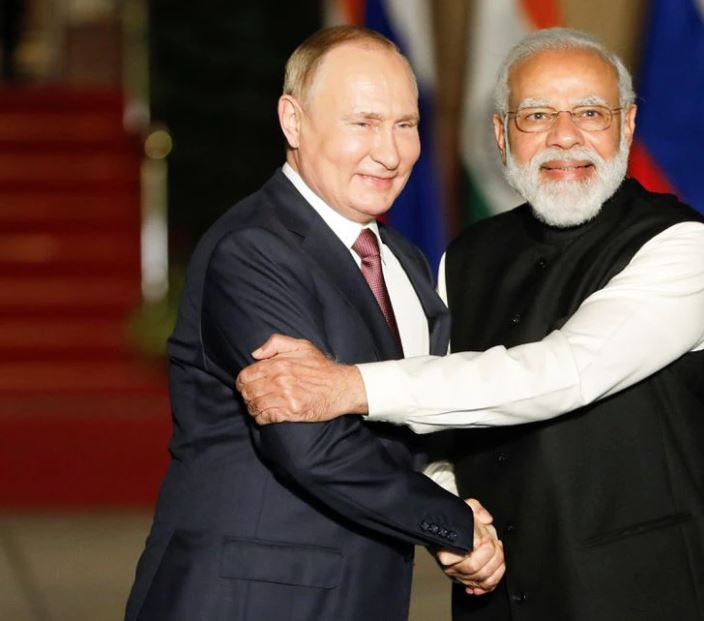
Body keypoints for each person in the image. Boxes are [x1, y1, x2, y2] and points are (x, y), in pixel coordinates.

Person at [238, 27, 704, 621]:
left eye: (591, 112)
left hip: (653, 594)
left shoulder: (682, 245)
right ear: (501, 133)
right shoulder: (466, 257)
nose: (566, 137)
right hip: (498, 599)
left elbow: (568, 371)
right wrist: (456, 522)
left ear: (629, 126)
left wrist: (349, 386)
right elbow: (438, 427)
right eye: (537, 115)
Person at [124, 26, 504, 621]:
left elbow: (412, 430)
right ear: (293, 122)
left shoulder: (404, 260)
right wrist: (453, 525)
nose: (390, 151)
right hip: (249, 598)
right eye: (363, 123)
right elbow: (311, 444)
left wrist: (453, 503)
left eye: (405, 124)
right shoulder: (253, 249)